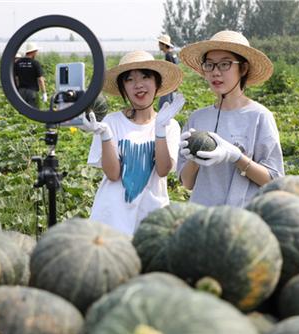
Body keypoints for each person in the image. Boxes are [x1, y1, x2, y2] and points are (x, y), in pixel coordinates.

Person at [81, 50, 184, 235]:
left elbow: (163, 170)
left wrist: (160, 130)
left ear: (157, 83)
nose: (138, 85)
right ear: (123, 88)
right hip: (112, 219)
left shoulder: (170, 125)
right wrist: (105, 135)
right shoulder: (111, 122)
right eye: (129, 80)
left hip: (152, 221)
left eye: (145, 77)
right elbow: (113, 174)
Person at [177, 30, 284, 207]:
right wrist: (194, 159)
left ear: (243, 68)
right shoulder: (197, 118)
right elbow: (187, 183)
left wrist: (237, 157)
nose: (215, 72)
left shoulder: (259, 116)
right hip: (202, 219)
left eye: (225, 64)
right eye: (209, 65)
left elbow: (273, 182)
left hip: (242, 222)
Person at [13, 42, 47, 108]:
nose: (37, 53)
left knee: (22, 111)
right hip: (32, 92)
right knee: (33, 112)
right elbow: (40, 79)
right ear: (33, 52)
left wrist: (17, 90)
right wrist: (44, 93)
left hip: (21, 91)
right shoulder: (35, 63)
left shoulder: (18, 63)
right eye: (36, 51)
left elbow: (16, 79)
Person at [156, 34, 179, 110]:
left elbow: (172, 70)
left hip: (169, 83)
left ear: (163, 45)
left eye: (159, 43)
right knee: (169, 104)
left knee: (163, 106)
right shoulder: (172, 54)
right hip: (172, 83)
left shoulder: (168, 55)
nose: (158, 45)